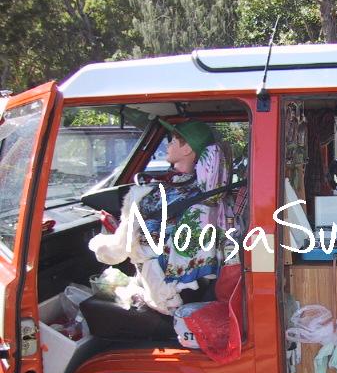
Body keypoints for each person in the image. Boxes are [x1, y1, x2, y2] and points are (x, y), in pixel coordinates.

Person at [89, 119, 232, 315]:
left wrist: (98, 244)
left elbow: (121, 249)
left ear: (187, 149)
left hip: (161, 293)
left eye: (173, 141)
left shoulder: (154, 196)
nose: (168, 145)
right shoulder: (204, 195)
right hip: (187, 287)